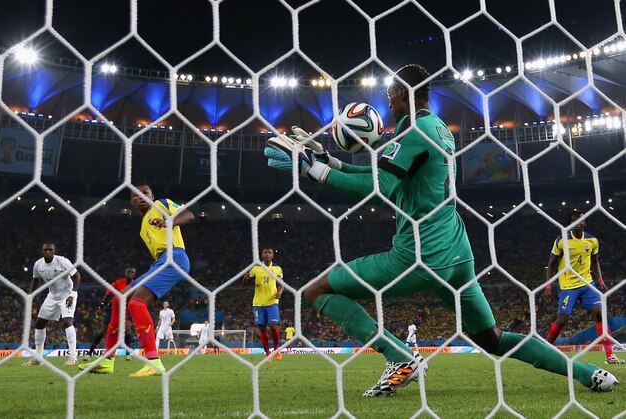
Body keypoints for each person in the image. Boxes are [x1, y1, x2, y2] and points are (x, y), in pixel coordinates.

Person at [264, 64, 619, 396]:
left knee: (316, 291)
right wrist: (330, 161)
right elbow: (386, 175)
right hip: (456, 252)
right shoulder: (431, 126)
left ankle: (400, 356)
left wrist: (313, 172)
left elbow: (380, 186)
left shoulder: (415, 131)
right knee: (494, 339)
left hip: (418, 254)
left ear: (404, 92)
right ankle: (587, 374)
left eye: (390, 93)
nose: (387, 101)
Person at [79, 184, 193, 376]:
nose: (141, 197)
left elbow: (189, 215)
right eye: (137, 196)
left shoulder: (161, 204)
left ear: (152, 195)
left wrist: (169, 222)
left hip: (175, 258)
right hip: (161, 261)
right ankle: (108, 360)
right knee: (118, 298)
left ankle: (154, 362)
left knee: (136, 303)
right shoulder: (143, 226)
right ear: (132, 201)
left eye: (145, 194)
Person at [543, 210, 624, 365]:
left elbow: (595, 261)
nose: (577, 223)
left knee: (600, 313)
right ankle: (547, 348)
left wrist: (599, 279)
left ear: (584, 223)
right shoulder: (561, 240)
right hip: (568, 286)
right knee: (562, 320)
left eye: (579, 221)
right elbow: (551, 264)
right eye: (573, 220)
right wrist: (548, 287)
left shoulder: (592, 240)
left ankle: (610, 355)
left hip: (587, 284)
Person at [23, 242, 81, 366]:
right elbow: (35, 280)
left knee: (67, 321)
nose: (48, 252)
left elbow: (76, 276)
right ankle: (38, 358)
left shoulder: (63, 262)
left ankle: (73, 358)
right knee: (39, 323)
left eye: (50, 250)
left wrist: (72, 294)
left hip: (67, 294)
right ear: (42, 251)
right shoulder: (38, 265)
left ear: (54, 251)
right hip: (52, 295)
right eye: (45, 250)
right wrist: (30, 295)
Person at [83, 266, 137, 362]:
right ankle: (89, 353)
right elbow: (107, 294)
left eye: (132, 272)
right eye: (128, 272)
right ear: (125, 273)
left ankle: (128, 354)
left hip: (126, 309)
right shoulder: (118, 283)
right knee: (102, 331)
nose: (130, 274)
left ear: (134, 274)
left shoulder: (136, 284)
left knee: (127, 329)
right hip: (113, 309)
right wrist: (101, 306)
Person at [243, 247, 284, 360]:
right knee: (261, 327)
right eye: (265, 253)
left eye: (269, 253)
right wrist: (245, 278)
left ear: (272, 255)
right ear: (262, 255)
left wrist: (280, 292)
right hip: (258, 303)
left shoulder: (277, 268)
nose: (267, 254)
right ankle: (267, 353)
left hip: (272, 302)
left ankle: (276, 349)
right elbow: (246, 282)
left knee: (272, 325)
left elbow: (281, 284)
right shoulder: (256, 268)